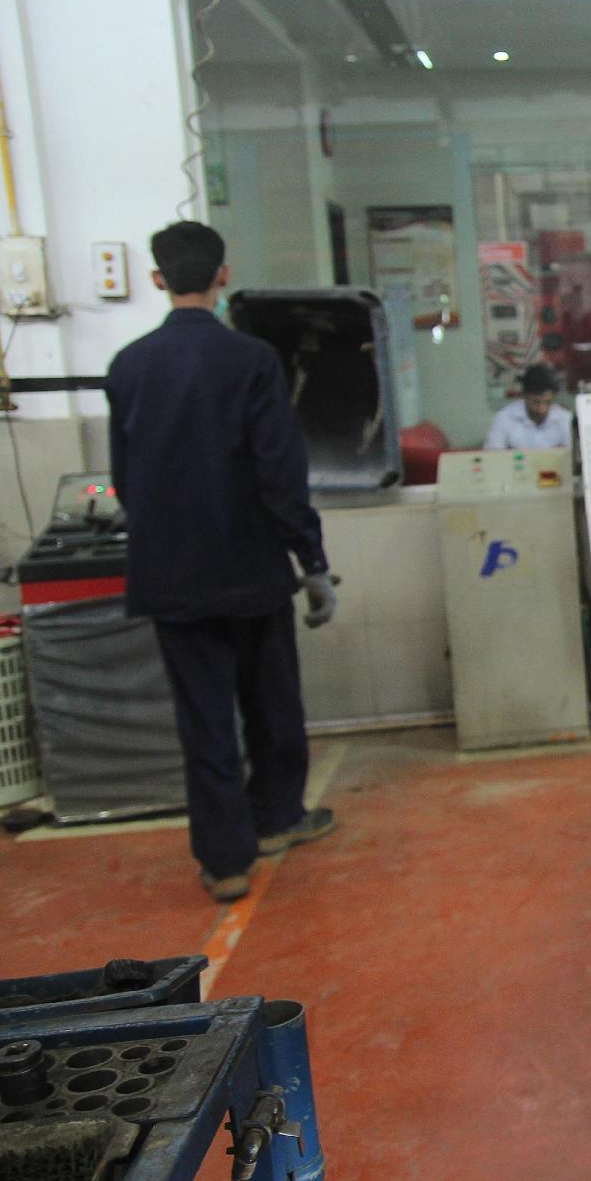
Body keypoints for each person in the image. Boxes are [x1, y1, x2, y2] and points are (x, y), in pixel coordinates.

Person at [106, 221, 339, 903]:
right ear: (223, 276)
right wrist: (311, 560)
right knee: (272, 702)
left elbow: (124, 480)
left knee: (204, 720)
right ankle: (277, 818)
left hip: (172, 578)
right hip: (252, 569)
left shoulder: (127, 367)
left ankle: (226, 861)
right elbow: (279, 473)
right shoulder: (252, 360)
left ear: (157, 279)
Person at [484, 363, 572, 451]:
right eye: (536, 402)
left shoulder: (565, 419)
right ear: (524, 395)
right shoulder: (504, 418)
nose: (541, 409)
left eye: (547, 402)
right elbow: (492, 455)